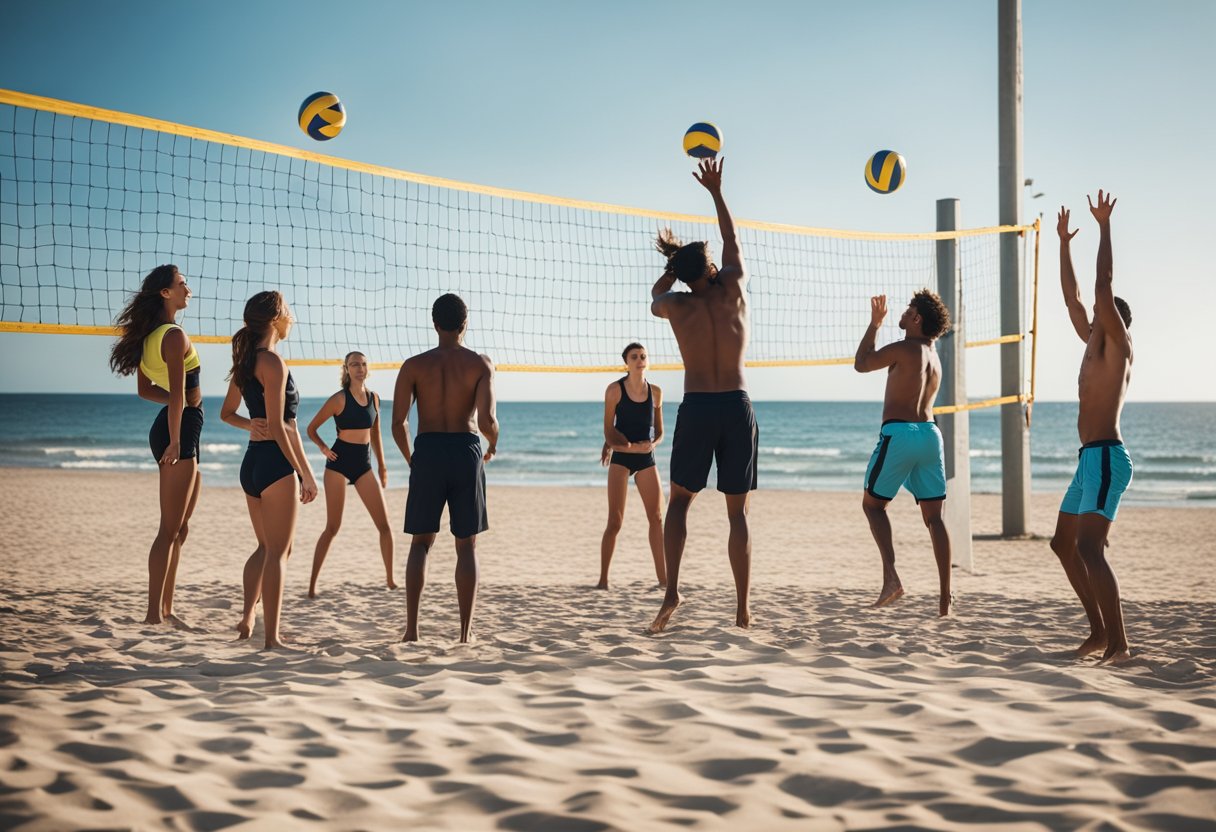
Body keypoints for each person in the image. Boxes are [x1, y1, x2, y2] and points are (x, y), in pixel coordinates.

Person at [647, 157, 757, 634]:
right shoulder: (732, 287)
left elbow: (655, 295)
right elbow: (733, 240)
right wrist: (715, 191)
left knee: (679, 504)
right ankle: (742, 608)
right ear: (710, 266)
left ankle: (672, 590)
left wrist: (674, 268)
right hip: (735, 404)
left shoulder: (676, 306)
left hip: (697, 408)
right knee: (738, 512)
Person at [1049, 191, 1134, 665]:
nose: (1094, 315)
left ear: (1116, 321)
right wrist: (1063, 242)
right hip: (1089, 460)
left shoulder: (1117, 346)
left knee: (1089, 548)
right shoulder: (1091, 343)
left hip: (1106, 457)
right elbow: (1073, 297)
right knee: (1063, 544)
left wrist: (1103, 226)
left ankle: (1119, 643)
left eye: (1103, 313)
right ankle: (1099, 632)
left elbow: (1101, 285)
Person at [392, 293, 498, 643]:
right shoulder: (480, 364)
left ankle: (411, 631)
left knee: (420, 543)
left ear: (434, 324)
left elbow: (398, 424)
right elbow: (487, 422)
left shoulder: (413, 365)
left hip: (428, 450)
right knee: (466, 546)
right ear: (465, 324)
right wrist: (493, 444)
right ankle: (465, 634)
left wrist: (412, 458)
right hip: (464, 449)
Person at [220, 291, 318, 649]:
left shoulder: (245, 362)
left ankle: (248, 619)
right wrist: (304, 473)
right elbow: (281, 427)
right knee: (279, 552)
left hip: (252, 464)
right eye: (289, 312)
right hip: (276, 465)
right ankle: (273, 639)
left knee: (265, 547)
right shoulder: (273, 362)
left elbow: (227, 413)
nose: (292, 318)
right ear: (276, 318)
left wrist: (251, 426)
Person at [108, 264, 203, 627]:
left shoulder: (151, 336)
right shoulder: (173, 336)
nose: (187, 289)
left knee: (181, 528)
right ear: (165, 293)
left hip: (179, 426)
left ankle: (166, 609)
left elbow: (147, 391)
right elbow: (177, 395)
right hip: (177, 432)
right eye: (182, 284)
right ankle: (153, 615)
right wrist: (176, 439)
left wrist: (179, 420)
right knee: (169, 528)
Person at [853, 291, 954, 617]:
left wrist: (875, 324)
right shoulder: (934, 357)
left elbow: (861, 364)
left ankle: (891, 578)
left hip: (900, 433)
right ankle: (945, 597)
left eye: (909, 309)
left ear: (917, 319)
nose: (904, 312)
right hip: (930, 434)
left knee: (873, 506)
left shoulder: (904, 348)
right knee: (934, 519)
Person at [305, 351, 396, 597]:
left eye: (364, 364)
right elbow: (311, 429)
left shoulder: (375, 399)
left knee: (385, 526)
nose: (360, 368)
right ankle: (312, 586)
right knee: (333, 527)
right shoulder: (338, 399)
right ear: (347, 369)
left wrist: (382, 466)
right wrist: (324, 448)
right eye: (354, 364)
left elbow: (375, 434)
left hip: (364, 465)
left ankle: (390, 580)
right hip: (339, 463)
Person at [597, 342, 666, 590]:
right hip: (622, 456)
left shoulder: (656, 392)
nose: (640, 360)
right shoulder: (614, 390)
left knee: (657, 518)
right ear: (626, 361)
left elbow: (659, 432)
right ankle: (603, 580)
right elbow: (608, 429)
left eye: (643, 356)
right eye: (635, 356)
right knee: (615, 522)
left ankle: (663, 580)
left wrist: (652, 445)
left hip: (645, 458)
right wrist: (620, 446)